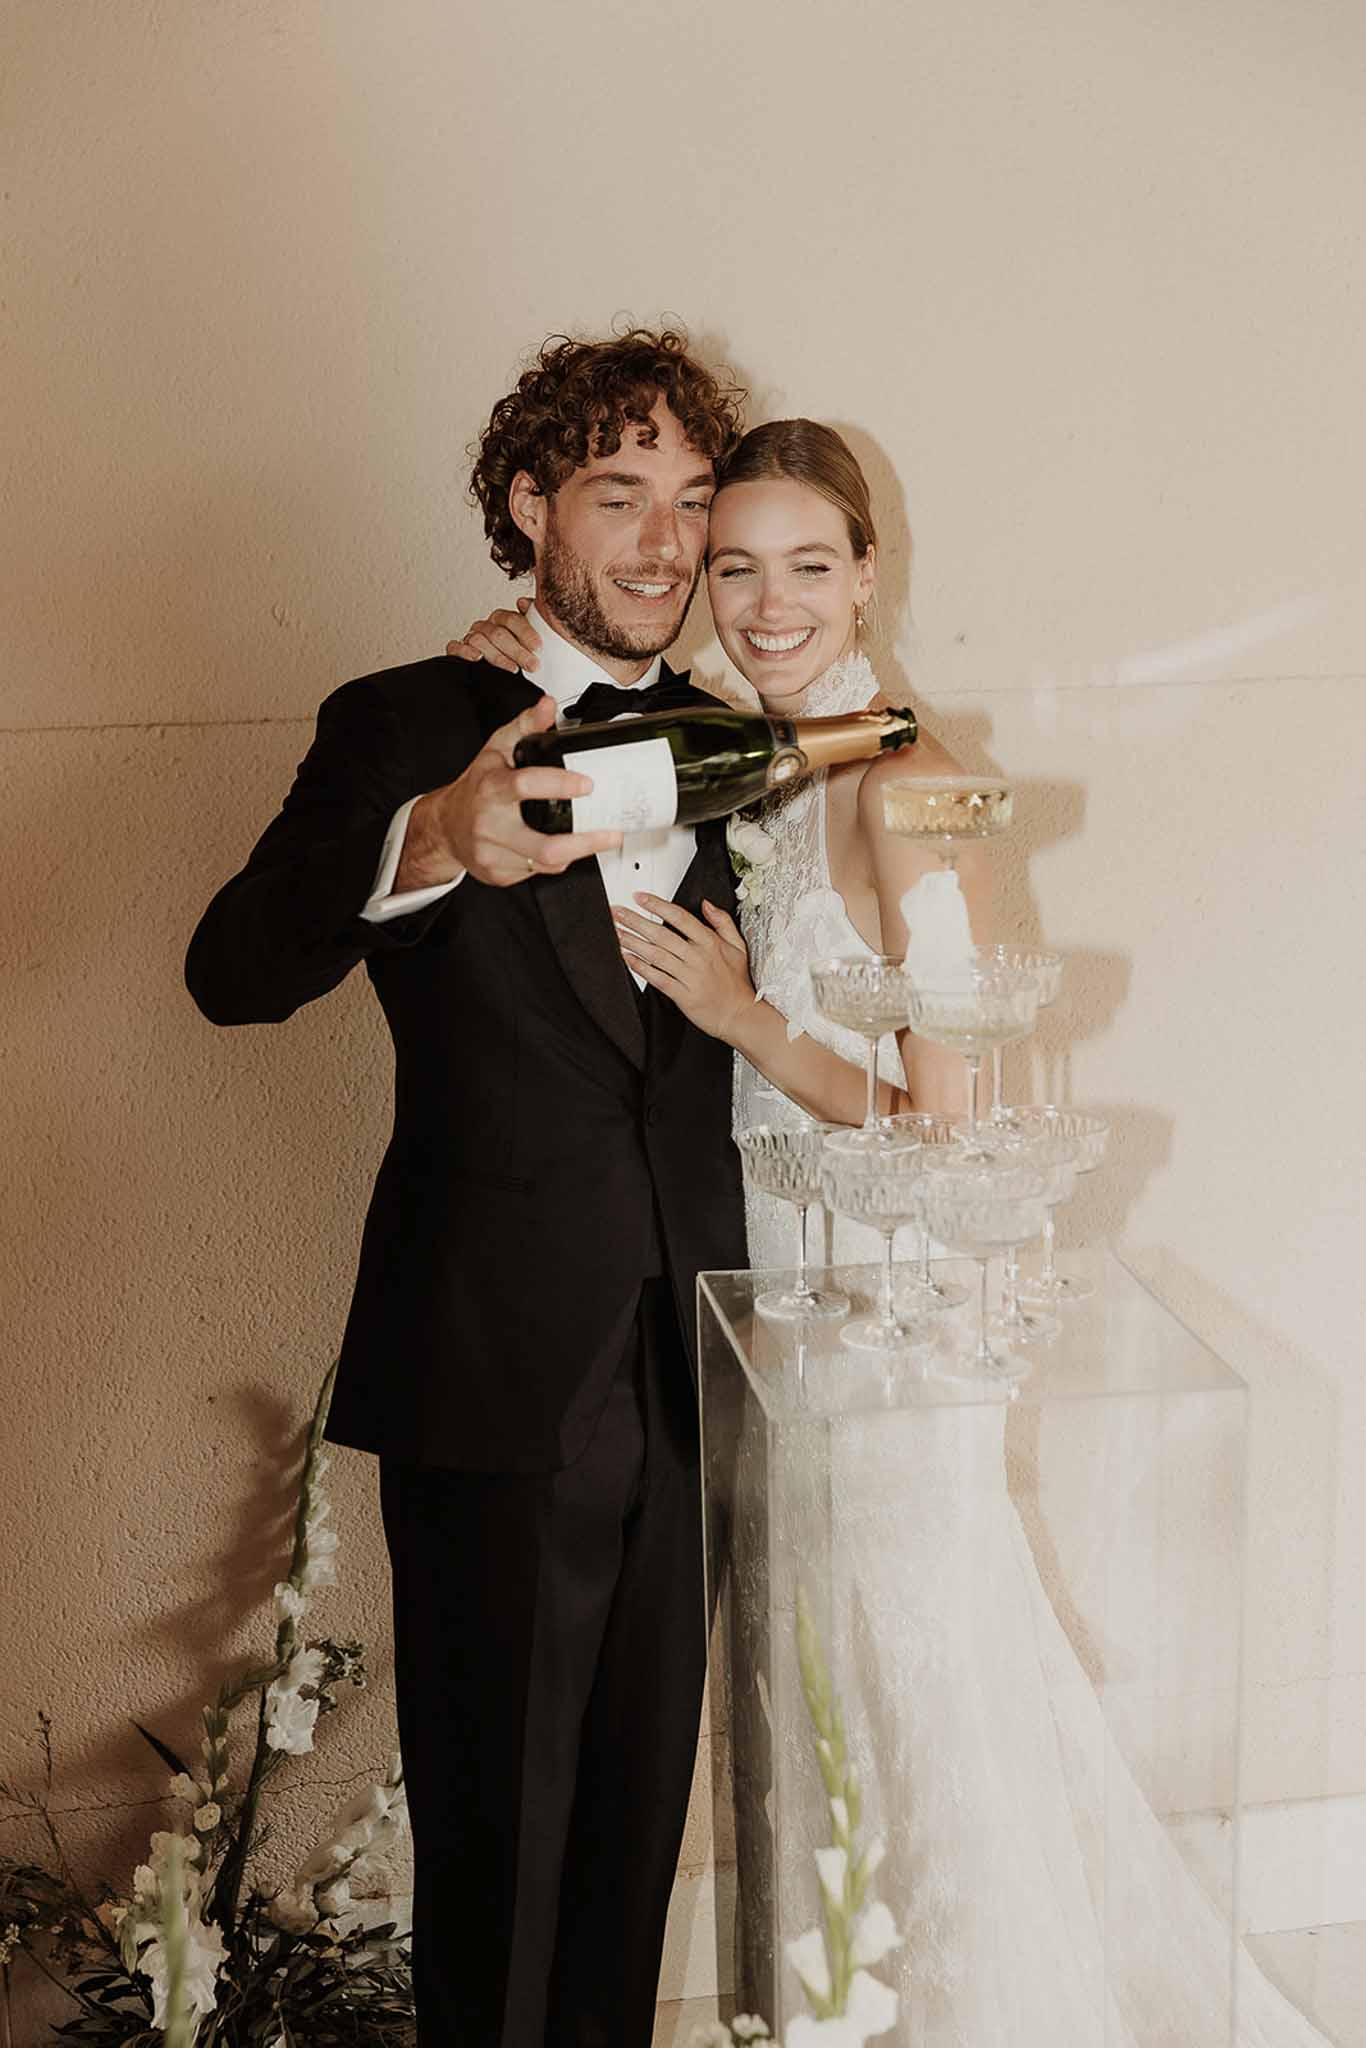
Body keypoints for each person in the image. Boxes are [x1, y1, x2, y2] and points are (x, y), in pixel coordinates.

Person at [452, 421, 1333, 2045]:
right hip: (774, 1298)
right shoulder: (775, 757)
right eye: (735, 567)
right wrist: (522, 648)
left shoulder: (917, 788)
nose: (767, 601)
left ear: (870, 570)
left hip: (880, 1303)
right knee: (821, 1696)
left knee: (915, 1690)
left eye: (807, 565)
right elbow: (624, 747)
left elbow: (957, 1118)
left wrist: (743, 1016)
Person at [185, 327, 752, 2048]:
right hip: (498, 1369)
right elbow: (231, 971)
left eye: (693, 498)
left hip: (705, 1367)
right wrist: (429, 838)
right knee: (500, 1870)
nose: (663, 542)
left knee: (633, 1854)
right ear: (528, 507)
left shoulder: (740, 738)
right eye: (616, 493)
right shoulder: (405, 720)